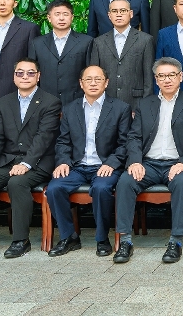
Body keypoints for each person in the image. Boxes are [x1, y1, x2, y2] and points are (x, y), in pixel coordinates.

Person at [114, 58, 183, 264]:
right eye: (162, 76)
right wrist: (135, 161)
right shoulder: (145, 104)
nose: (167, 80)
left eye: (171, 75)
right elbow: (134, 137)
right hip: (149, 164)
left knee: (182, 183)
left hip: (177, 163)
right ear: (156, 80)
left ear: (180, 77)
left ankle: (175, 242)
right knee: (125, 181)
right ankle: (125, 241)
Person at [0, 58, 62, 259]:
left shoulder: (50, 102)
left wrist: (26, 163)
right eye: (20, 73)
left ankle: (21, 241)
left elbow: (43, 138)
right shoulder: (4, 103)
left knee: (17, 183)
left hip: (38, 162)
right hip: (8, 161)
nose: (25, 77)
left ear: (38, 76)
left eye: (30, 73)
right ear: (14, 77)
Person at [45, 65, 131, 258]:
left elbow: (125, 143)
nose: (93, 83)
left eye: (98, 79)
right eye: (88, 79)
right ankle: (69, 237)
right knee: (54, 188)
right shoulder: (70, 108)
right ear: (81, 83)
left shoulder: (121, 108)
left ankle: (102, 239)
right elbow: (63, 141)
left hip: (106, 165)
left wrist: (111, 163)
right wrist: (63, 161)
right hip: (77, 166)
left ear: (106, 83)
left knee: (101, 188)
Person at [89, 0, 156, 108]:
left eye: (123, 11)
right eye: (114, 11)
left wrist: (144, 108)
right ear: (109, 15)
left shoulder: (145, 40)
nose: (119, 14)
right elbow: (94, 76)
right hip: (106, 103)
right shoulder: (98, 42)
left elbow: (149, 78)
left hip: (136, 103)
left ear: (131, 14)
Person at [29, 0, 93, 106]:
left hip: (77, 102)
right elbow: (32, 74)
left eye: (65, 14)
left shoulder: (86, 41)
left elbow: (90, 73)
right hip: (45, 103)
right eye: (57, 14)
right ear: (49, 18)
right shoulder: (37, 43)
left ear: (72, 17)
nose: (61, 18)